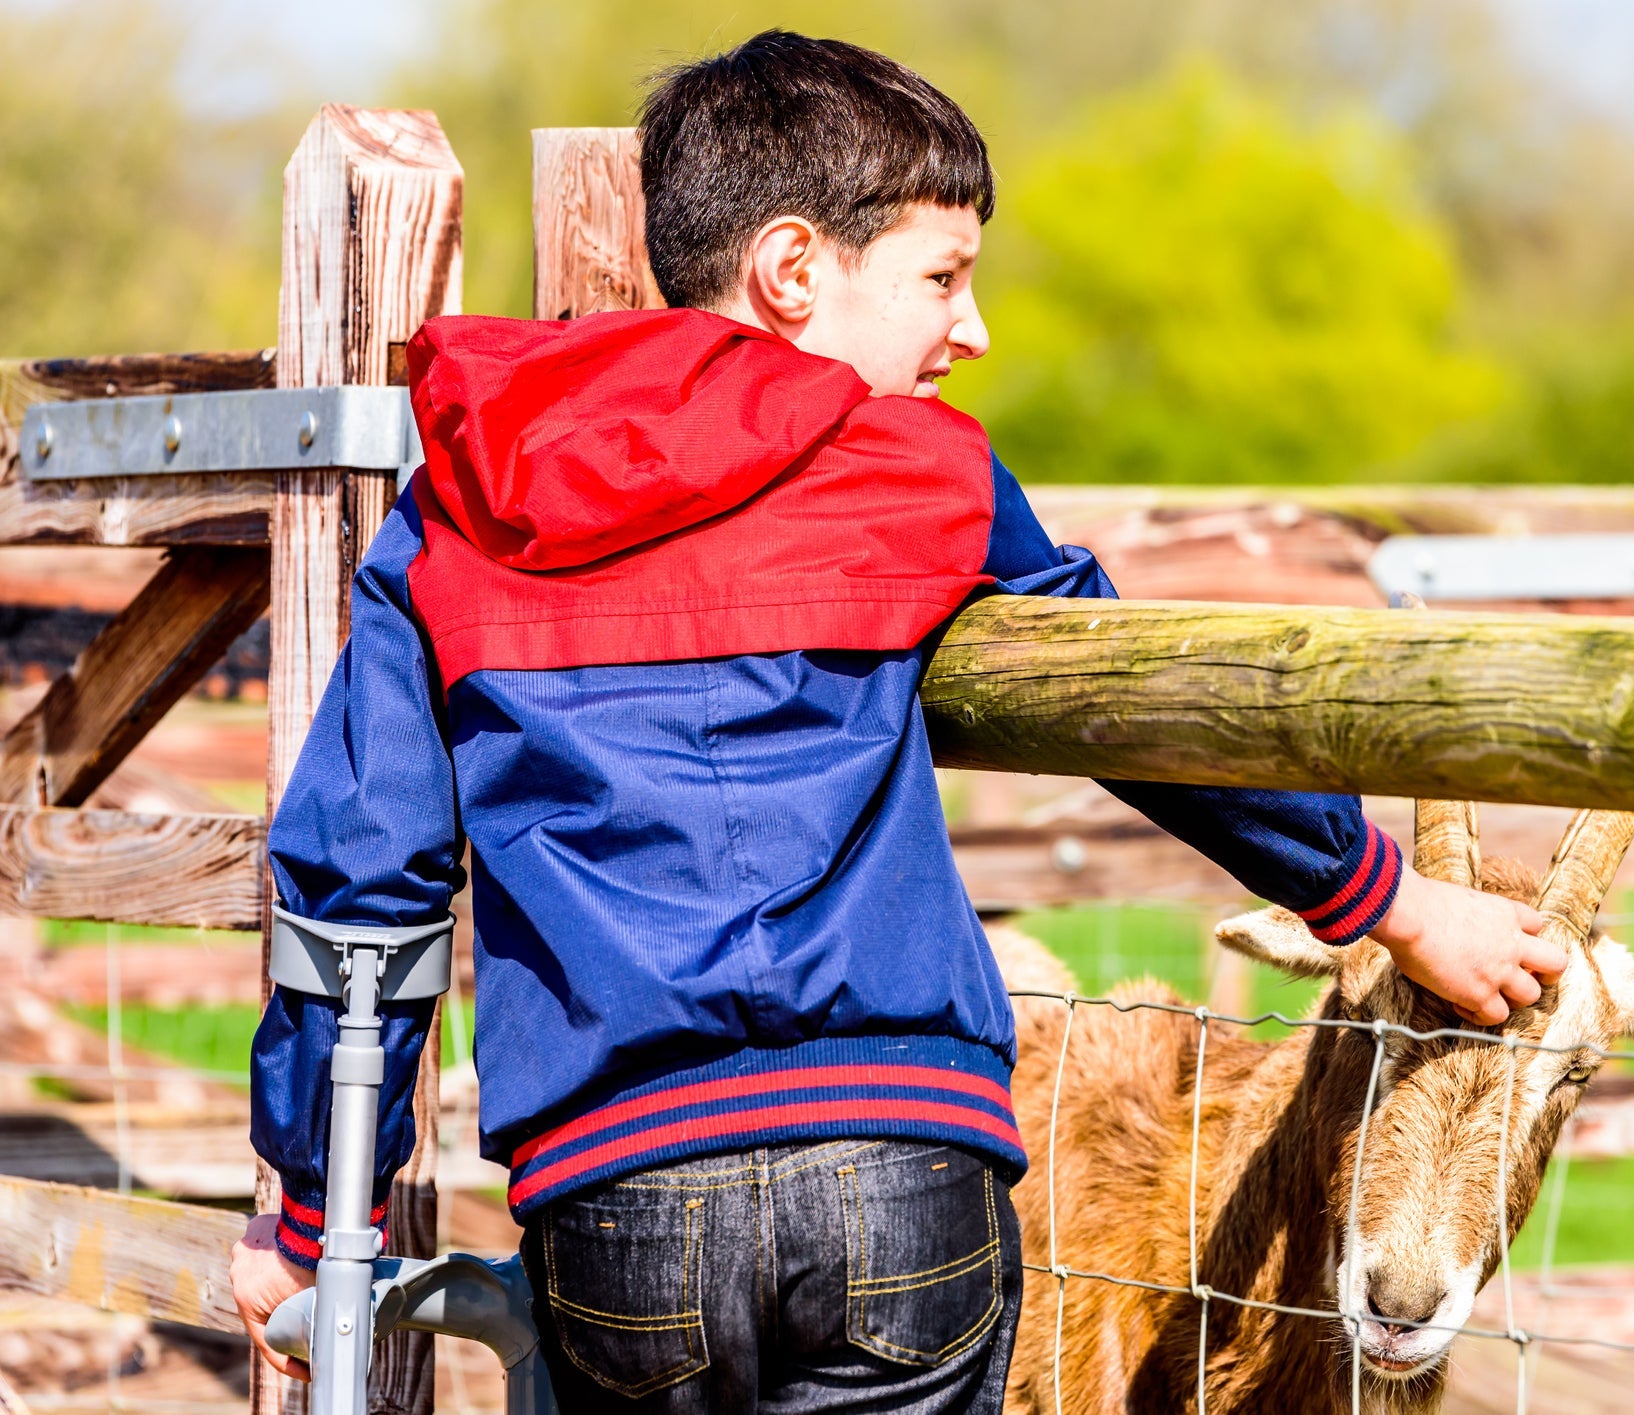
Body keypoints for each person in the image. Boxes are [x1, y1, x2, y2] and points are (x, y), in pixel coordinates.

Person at [229, 30, 1563, 1414]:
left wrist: (320, 1224)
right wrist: (1397, 910)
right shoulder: (928, 474)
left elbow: (360, 884)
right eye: (942, 279)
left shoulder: (466, 499)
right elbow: (1143, 701)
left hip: (620, 1196)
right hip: (903, 1173)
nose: (971, 331)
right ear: (794, 271)